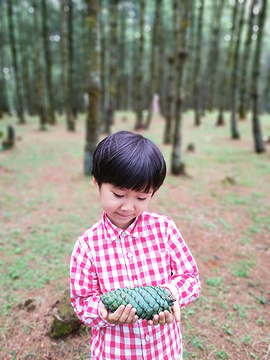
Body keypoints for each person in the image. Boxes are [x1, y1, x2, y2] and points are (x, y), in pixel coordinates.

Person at [70, 131, 201, 360]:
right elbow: (82, 302)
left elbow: (190, 277)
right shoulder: (86, 247)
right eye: (118, 194)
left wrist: (172, 294)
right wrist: (103, 313)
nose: (128, 207)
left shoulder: (165, 230)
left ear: (153, 193)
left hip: (164, 351)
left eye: (141, 198)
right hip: (114, 353)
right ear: (97, 182)